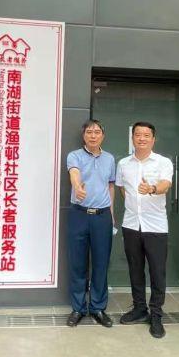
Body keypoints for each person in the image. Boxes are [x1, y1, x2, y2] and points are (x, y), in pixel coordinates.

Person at [115, 122, 173, 339]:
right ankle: (139, 308)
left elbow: (166, 185)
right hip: (131, 224)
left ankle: (156, 314)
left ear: (153, 139)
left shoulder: (163, 162)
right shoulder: (123, 163)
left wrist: (152, 189)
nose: (141, 138)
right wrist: (134, 204)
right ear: (132, 138)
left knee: (157, 271)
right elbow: (122, 189)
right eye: (138, 135)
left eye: (146, 135)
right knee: (135, 269)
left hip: (156, 226)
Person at [66, 120, 116, 328]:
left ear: (103, 135)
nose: (93, 135)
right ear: (83, 135)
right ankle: (78, 308)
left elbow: (110, 186)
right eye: (89, 132)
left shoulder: (110, 158)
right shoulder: (74, 155)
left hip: (102, 217)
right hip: (79, 215)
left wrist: (112, 215)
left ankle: (98, 308)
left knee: (101, 263)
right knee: (78, 263)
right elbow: (74, 173)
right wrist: (77, 187)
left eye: (97, 132)